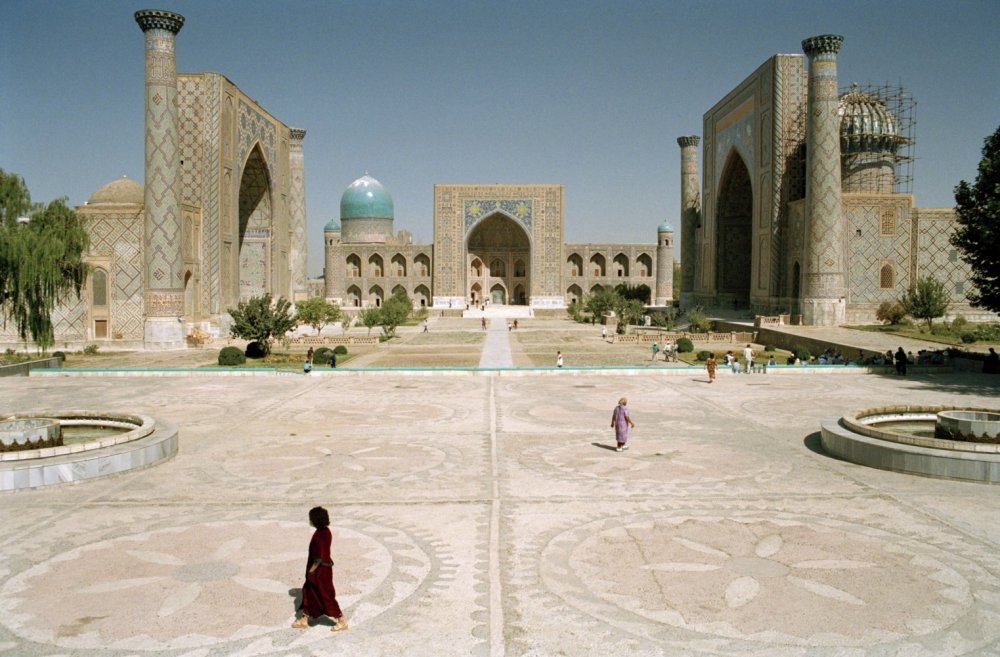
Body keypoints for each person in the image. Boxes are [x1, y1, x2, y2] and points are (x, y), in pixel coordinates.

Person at [292, 507, 348, 632]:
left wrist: (311, 571)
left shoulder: (318, 536)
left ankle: (341, 620)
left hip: (320, 572)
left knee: (325, 595)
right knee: (309, 592)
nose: (310, 520)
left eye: (311, 518)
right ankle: (304, 619)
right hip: (324, 569)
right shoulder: (326, 531)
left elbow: (318, 558)